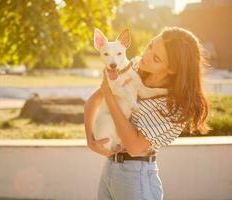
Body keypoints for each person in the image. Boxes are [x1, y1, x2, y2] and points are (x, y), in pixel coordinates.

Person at [84, 26, 209, 200]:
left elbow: (134, 147)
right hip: (110, 169)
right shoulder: (133, 67)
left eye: (156, 58)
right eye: (151, 46)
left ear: (172, 68)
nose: (146, 56)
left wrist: (109, 95)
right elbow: (92, 102)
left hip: (136, 177)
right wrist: (90, 140)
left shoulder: (173, 107)